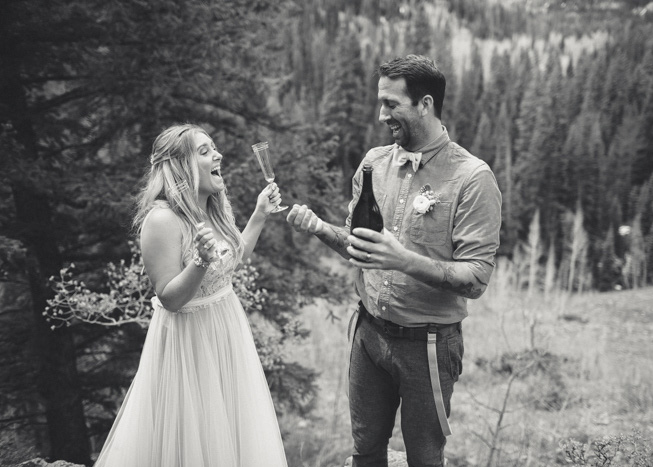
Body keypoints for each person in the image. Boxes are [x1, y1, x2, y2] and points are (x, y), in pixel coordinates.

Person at [287, 55, 501, 466]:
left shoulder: (473, 177)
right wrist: (319, 228)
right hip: (368, 334)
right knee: (365, 451)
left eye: (391, 104)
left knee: (424, 458)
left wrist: (403, 260)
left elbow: (475, 279)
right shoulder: (374, 164)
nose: (381, 114)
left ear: (425, 104)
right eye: (380, 102)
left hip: (429, 345)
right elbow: (361, 246)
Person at [95, 123, 288, 467]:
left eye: (214, 148)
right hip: (189, 343)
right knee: (193, 440)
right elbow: (169, 297)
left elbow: (230, 262)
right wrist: (200, 260)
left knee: (230, 432)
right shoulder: (161, 219)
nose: (219, 155)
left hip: (227, 332)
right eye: (205, 151)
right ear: (180, 166)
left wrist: (259, 216)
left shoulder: (214, 207)